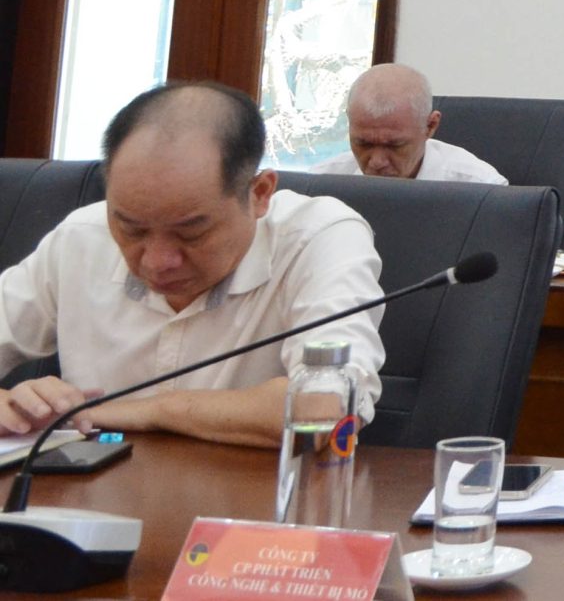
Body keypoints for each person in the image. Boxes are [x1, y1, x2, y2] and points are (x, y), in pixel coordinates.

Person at [0, 82, 386, 446]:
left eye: (190, 233)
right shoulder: (82, 236)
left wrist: (137, 411)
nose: (157, 262)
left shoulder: (319, 237)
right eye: (132, 229)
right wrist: (13, 407)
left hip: (245, 494)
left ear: (259, 193)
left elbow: (325, 410)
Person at [309, 63, 505, 183]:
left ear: (430, 126)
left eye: (394, 145)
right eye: (363, 143)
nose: (377, 162)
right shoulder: (320, 185)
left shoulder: (481, 188)